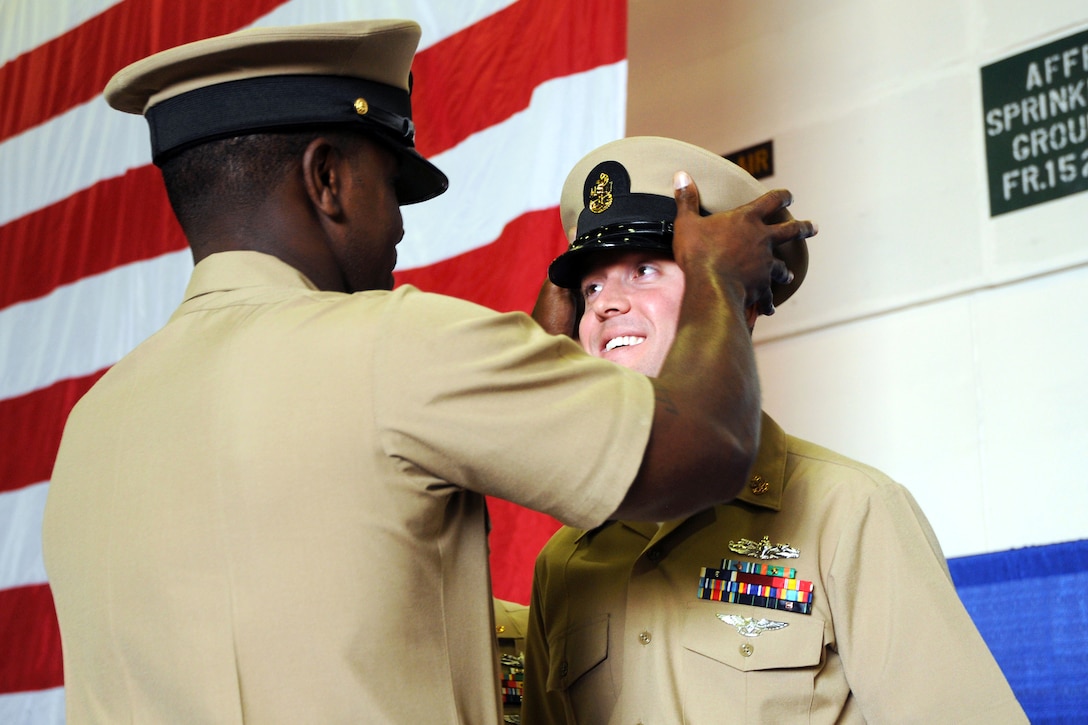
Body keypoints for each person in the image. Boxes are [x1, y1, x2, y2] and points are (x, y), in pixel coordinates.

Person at [41, 21, 817, 724]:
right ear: (328, 179)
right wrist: (717, 278)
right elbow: (705, 446)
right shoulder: (397, 344)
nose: (403, 225)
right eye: (391, 185)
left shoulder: (89, 431)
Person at [520, 136, 1028, 724]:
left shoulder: (850, 510)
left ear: (736, 298)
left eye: (645, 269)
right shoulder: (564, 560)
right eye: (591, 287)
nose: (607, 303)